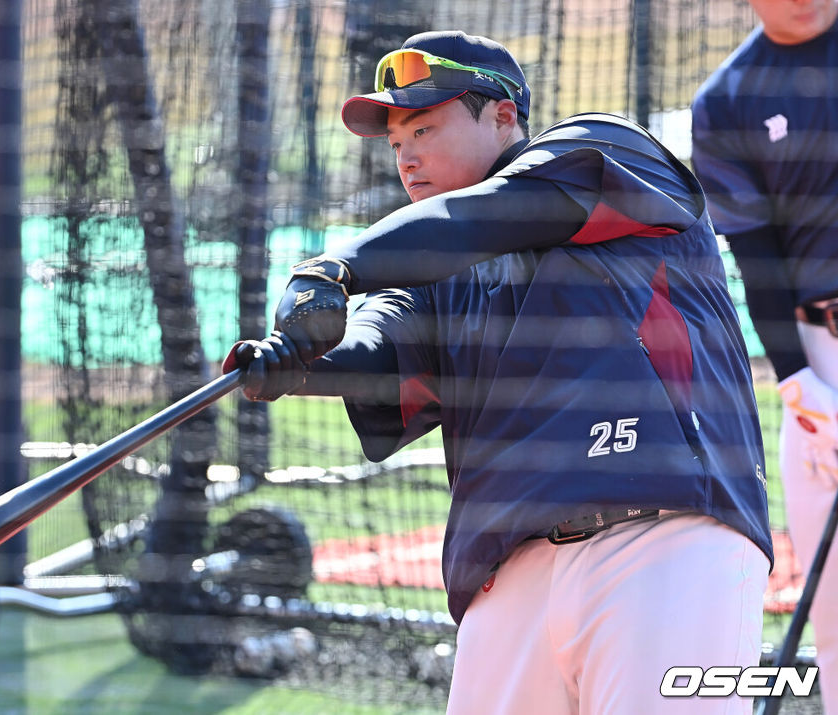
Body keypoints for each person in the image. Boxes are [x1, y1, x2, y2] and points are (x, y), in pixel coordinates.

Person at [225, 31, 774, 712]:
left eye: (424, 126)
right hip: (507, 576)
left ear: (505, 114)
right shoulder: (432, 278)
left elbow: (488, 214)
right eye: (396, 144)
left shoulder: (603, 149)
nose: (408, 156)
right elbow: (377, 344)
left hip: (664, 546)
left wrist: (334, 267)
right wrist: (296, 365)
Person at [691, 0, 838, 709]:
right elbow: (759, 262)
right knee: (835, 607)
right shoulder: (727, 101)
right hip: (822, 351)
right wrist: (804, 387)